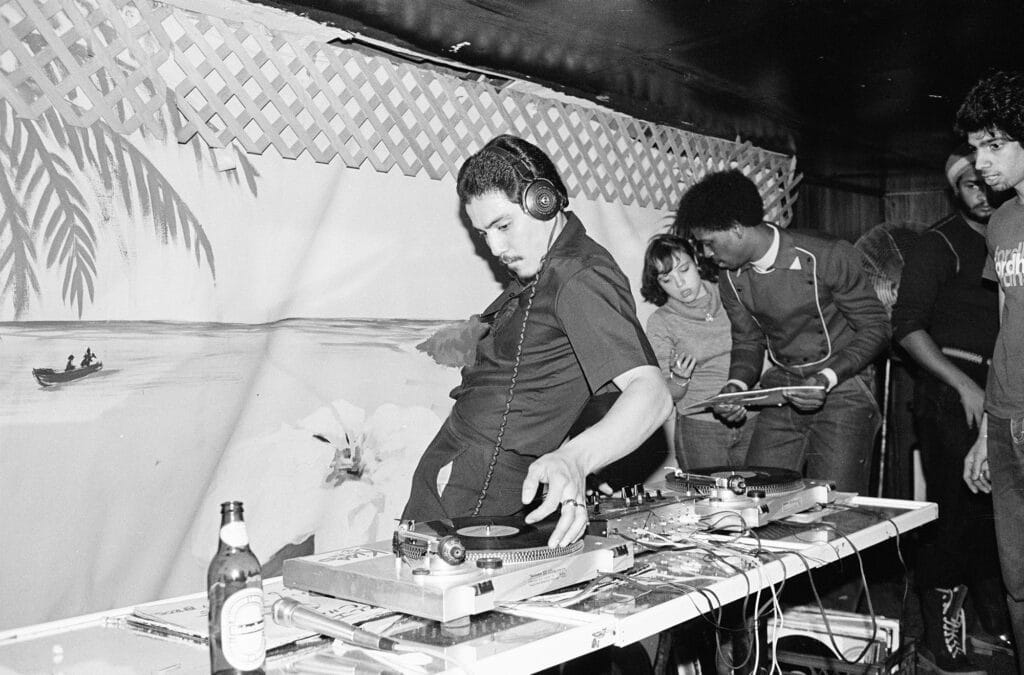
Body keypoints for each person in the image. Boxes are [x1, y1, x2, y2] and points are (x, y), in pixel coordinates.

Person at [401, 134, 672, 548]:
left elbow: (651, 394)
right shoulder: (548, 270)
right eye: (483, 233)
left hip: (480, 494)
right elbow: (576, 377)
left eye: (503, 226)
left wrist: (577, 460)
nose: (494, 247)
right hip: (459, 476)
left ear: (544, 201)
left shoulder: (578, 276)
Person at [675, 170, 889, 494]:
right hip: (783, 387)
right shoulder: (730, 277)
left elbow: (876, 327)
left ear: (735, 229)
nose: (706, 254)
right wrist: (736, 385)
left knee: (834, 503)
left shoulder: (828, 255)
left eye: (708, 243)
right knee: (757, 495)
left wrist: (827, 378)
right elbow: (748, 339)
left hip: (845, 385)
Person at [891, 146, 1009, 672]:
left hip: (1003, 393)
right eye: (969, 184)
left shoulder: (1011, 236)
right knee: (954, 515)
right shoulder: (937, 243)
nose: (981, 192)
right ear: (954, 190)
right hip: (949, 395)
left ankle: (985, 620)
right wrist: (964, 386)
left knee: (991, 516)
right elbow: (907, 328)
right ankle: (939, 637)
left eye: (986, 182)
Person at [959, 70, 1024, 675]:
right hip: (1005, 423)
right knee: (1017, 582)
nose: (981, 162)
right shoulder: (1002, 223)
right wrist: (985, 430)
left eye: (994, 145)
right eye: (977, 147)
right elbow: (1005, 328)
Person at [641, 233, 756, 470]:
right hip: (701, 429)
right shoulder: (661, 322)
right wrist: (680, 379)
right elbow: (666, 395)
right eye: (667, 279)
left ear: (695, 259)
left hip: (753, 417)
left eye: (684, 269)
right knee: (709, 504)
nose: (680, 284)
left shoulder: (731, 291)